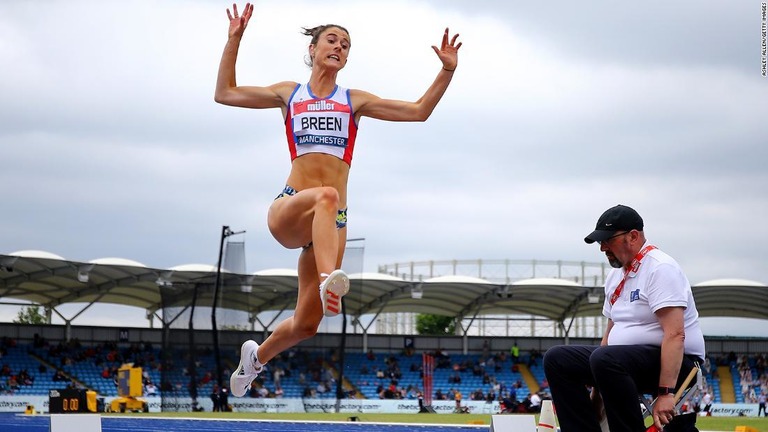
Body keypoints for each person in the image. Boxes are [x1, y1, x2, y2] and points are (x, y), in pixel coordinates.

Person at [215, 3, 462, 398]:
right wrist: (234, 39)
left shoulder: (354, 100)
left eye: (346, 45)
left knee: (307, 324)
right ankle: (332, 279)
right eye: (332, 40)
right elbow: (224, 93)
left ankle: (255, 359)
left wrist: (446, 70)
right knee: (327, 195)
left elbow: (419, 112)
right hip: (292, 207)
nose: (340, 47)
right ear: (312, 50)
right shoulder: (288, 94)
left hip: (332, 224)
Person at [543, 204, 705, 432]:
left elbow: (675, 334)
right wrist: (597, 395)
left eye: (608, 240)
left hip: (678, 364)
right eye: (600, 242)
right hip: (619, 362)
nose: (603, 248)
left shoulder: (660, 268)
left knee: (607, 359)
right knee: (557, 358)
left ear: (633, 236)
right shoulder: (615, 277)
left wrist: (666, 393)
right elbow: (609, 337)